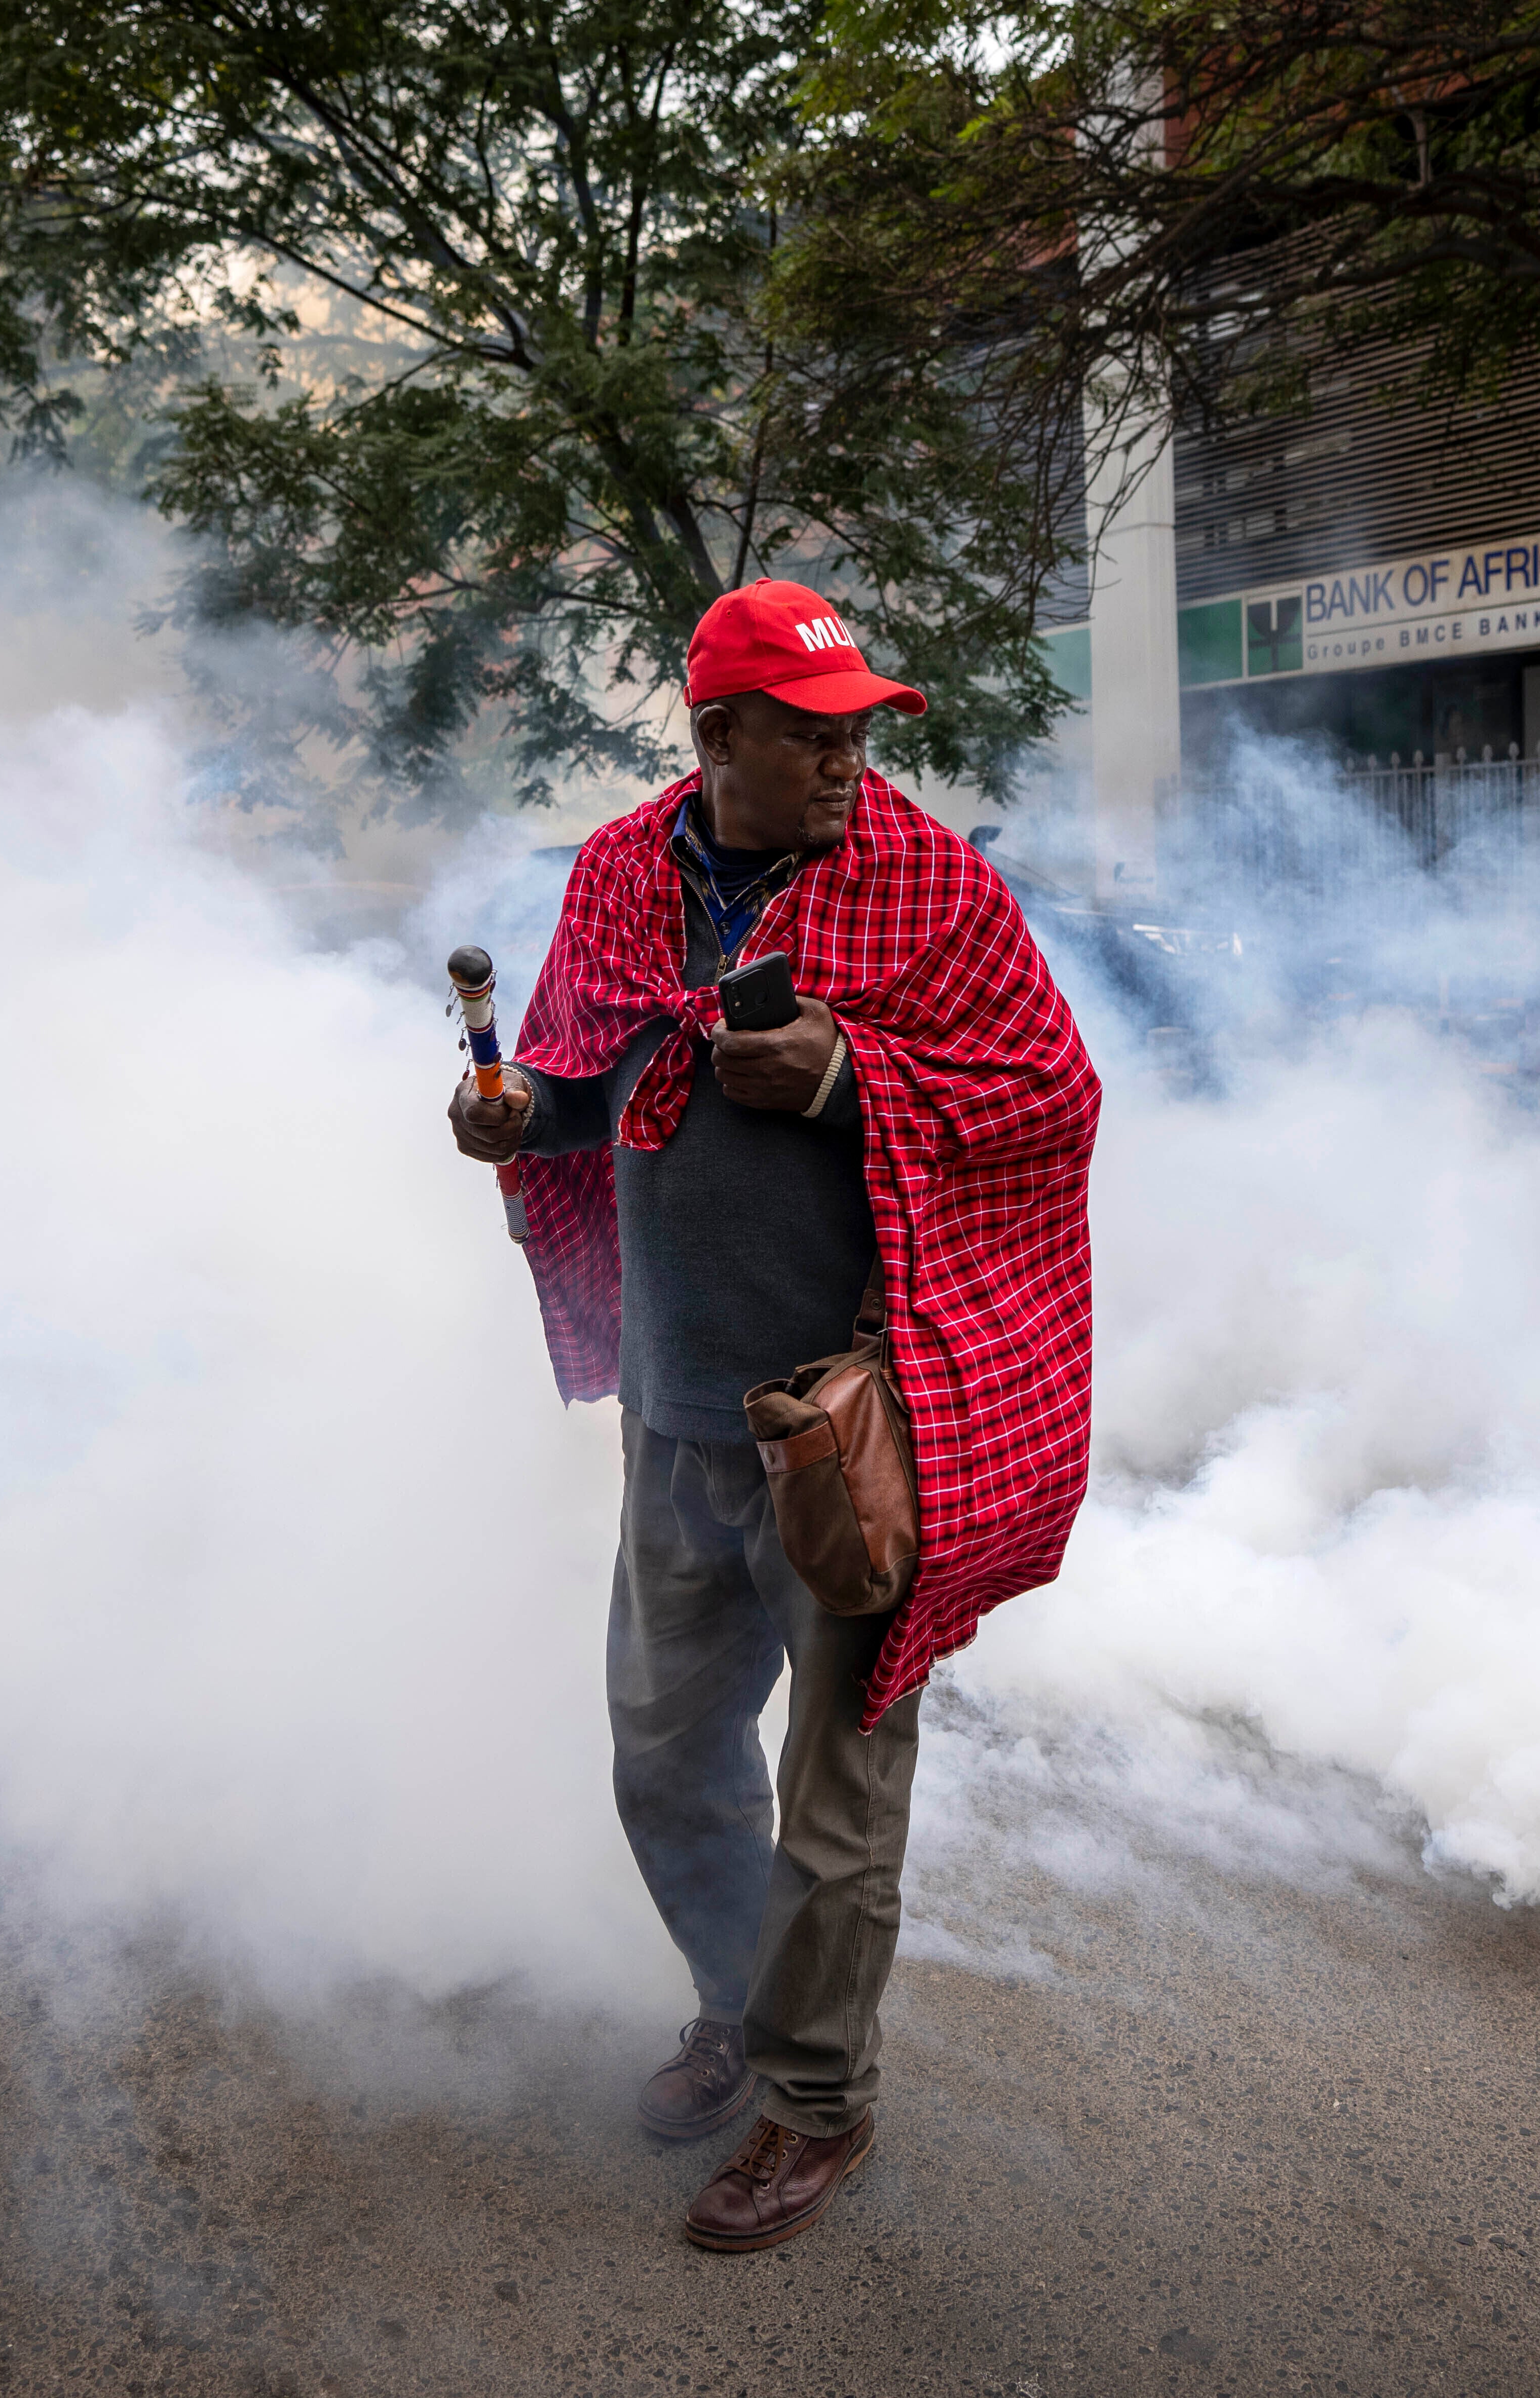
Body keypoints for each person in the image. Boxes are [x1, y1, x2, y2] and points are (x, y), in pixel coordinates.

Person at [446, 579, 1101, 2255]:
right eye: (812, 740)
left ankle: (815, 2102)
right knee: (664, 1754)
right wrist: (516, 1114)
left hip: (842, 1430)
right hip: (674, 1414)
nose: (844, 770)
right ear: (717, 736)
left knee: (836, 1795)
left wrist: (843, 1081)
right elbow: (584, 1077)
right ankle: (739, 2005)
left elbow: (1045, 1098)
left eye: (860, 737)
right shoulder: (615, 878)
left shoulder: (924, 884)